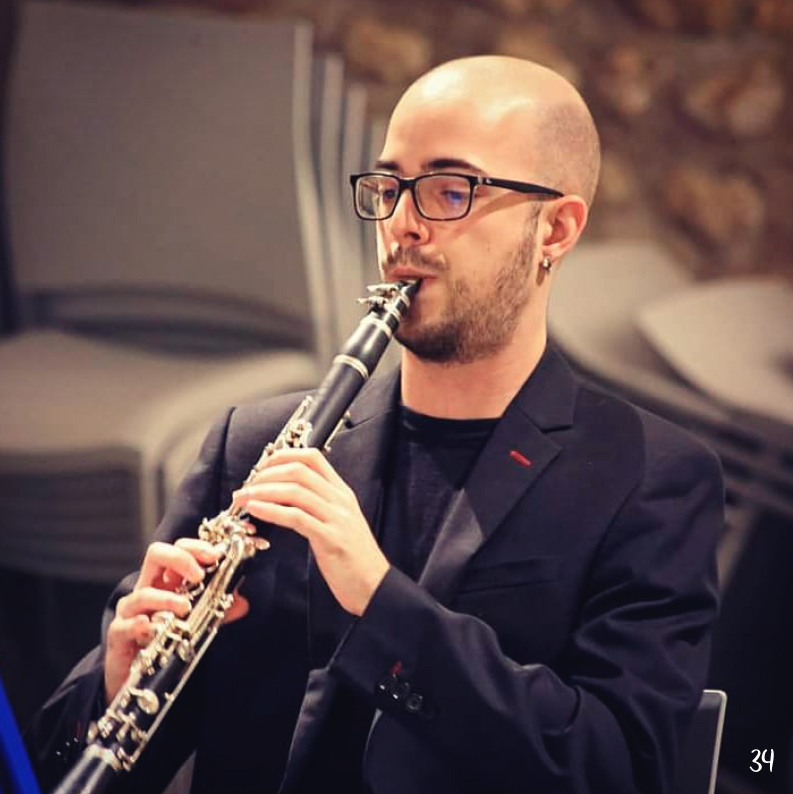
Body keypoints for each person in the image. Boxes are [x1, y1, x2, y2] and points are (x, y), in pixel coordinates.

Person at [27, 56, 724, 794]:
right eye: (389, 189)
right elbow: (68, 769)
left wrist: (379, 599)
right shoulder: (251, 446)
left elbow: (621, 768)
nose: (402, 225)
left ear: (554, 228)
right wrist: (112, 690)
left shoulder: (646, 478)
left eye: (450, 191)